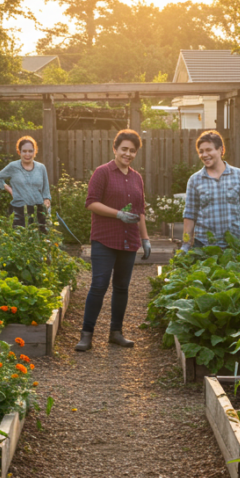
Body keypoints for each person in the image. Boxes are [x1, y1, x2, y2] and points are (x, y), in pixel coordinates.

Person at [75, 129, 152, 352]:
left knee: (121, 287)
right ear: (115, 149)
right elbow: (91, 203)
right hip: (105, 239)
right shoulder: (103, 173)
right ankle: (86, 335)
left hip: (129, 241)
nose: (127, 154)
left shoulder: (136, 177)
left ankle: (115, 333)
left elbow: (140, 211)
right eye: (124, 149)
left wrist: (145, 238)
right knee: (99, 285)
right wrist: (118, 214)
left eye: (132, 151)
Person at [182, 130, 240, 249]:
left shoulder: (239, 175)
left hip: (236, 244)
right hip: (204, 246)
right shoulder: (195, 180)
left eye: (209, 150)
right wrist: (186, 244)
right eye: (201, 152)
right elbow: (190, 214)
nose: (204, 155)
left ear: (221, 150)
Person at [0, 136, 51, 232]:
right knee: (20, 240)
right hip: (19, 210)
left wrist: (46, 203)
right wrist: (10, 190)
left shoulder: (41, 168)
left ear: (35, 152)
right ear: (19, 152)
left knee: (40, 241)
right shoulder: (13, 166)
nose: (27, 154)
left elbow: (46, 190)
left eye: (30, 151)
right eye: (24, 151)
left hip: (38, 210)